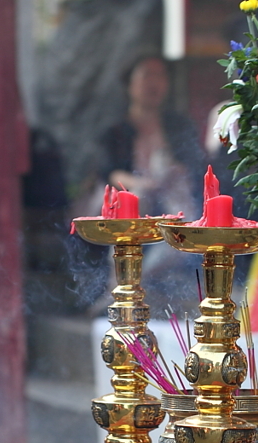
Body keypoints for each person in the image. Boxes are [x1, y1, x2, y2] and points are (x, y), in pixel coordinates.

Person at [93, 51, 207, 315]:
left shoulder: (178, 126)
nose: (153, 83)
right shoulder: (116, 131)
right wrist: (142, 184)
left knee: (183, 224)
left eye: (159, 76)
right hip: (132, 192)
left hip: (171, 194)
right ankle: (119, 286)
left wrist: (174, 172)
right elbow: (109, 172)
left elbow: (193, 164)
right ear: (130, 84)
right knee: (132, 206)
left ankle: (134, 281)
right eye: (146, 75)